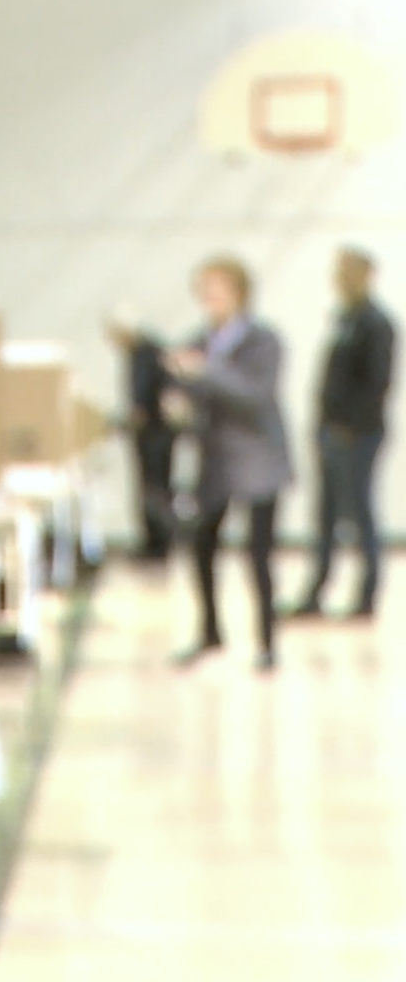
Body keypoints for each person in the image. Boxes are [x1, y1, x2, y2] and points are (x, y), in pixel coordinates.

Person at [164, 256, 294, 672]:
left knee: (259, 555)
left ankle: (267, 642)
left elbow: (253, 396)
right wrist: (179, 401)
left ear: (238, 293)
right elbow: (189, 393)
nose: (209, 298)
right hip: (215, 464)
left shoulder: (264, 341)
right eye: (204, 290)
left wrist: (205, 371)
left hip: (257, 462)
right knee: (202, 545)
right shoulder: (197, 341)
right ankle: (210, 632)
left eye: (216, 289)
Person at [290, 247, 396, 621]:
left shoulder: (376, 323)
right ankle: (317, 589)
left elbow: (377, 383)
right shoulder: (344, 319)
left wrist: (350, 426)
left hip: (358, 435)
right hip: (330, 431)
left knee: (360, 513)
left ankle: (367, 594)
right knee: (326, 513)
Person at [107, 310, 176, 561]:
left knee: (156, 489)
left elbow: (145, 396)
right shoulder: (138, 353)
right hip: (148, 433)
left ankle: (159, 546)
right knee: (149, 489)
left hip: (156, 434)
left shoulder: (149, 353)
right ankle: (152, 543)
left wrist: (135, 416)